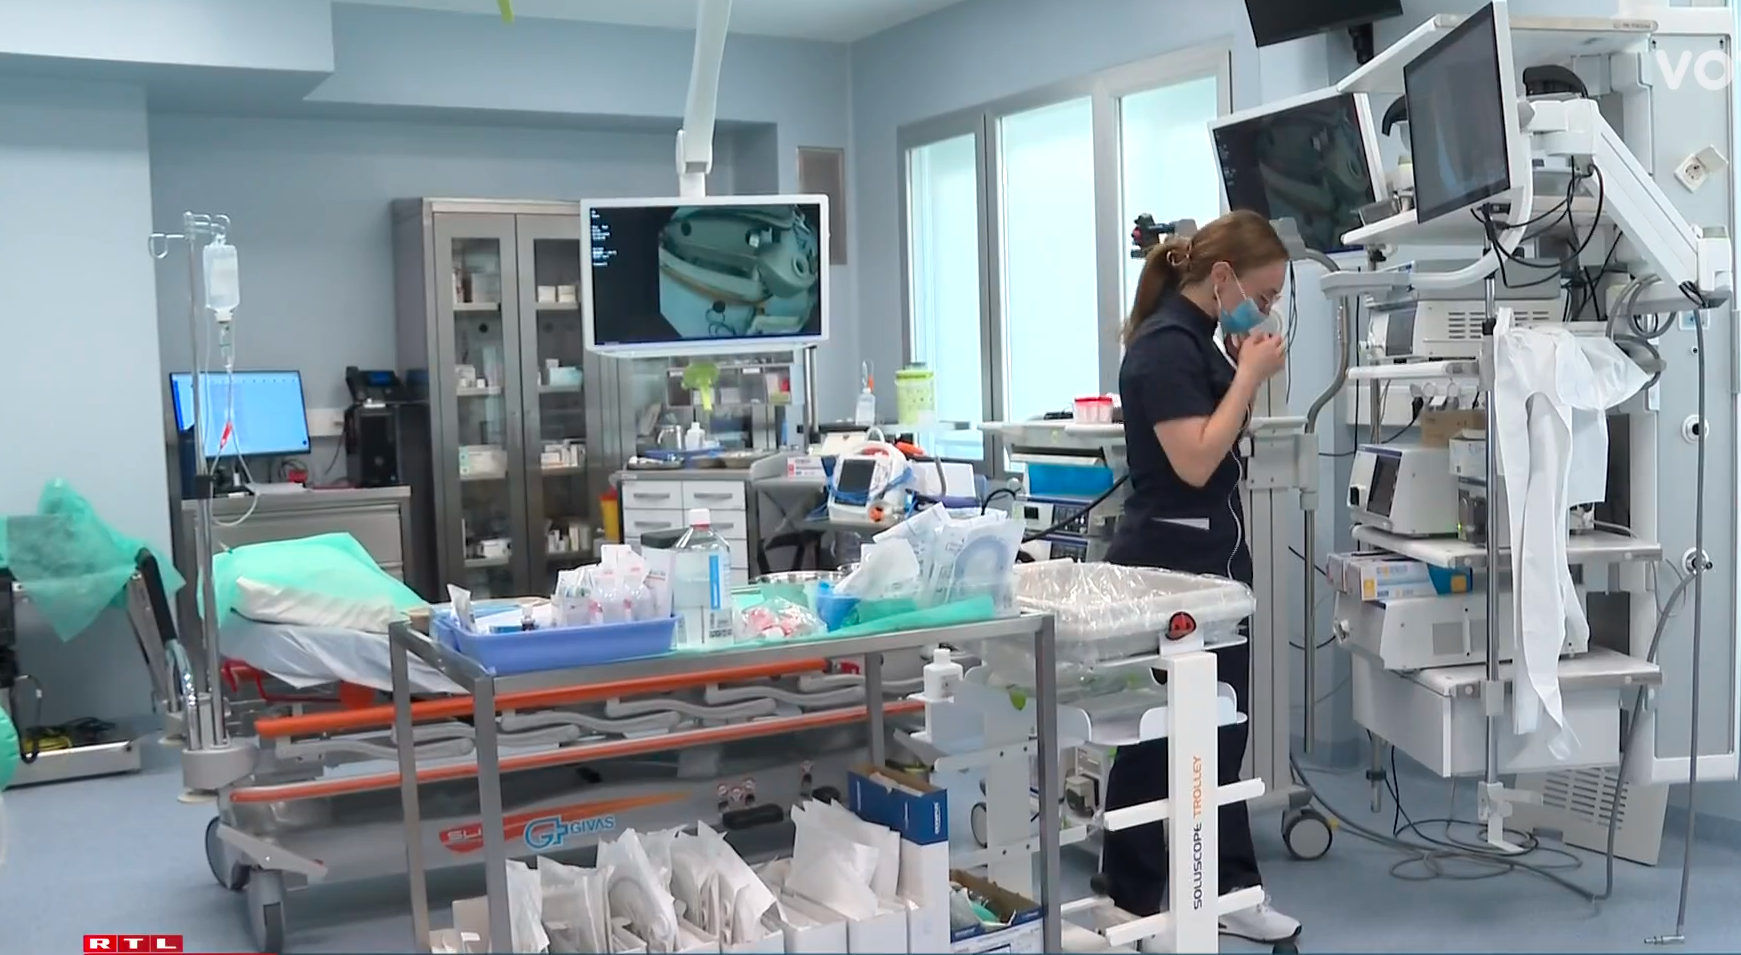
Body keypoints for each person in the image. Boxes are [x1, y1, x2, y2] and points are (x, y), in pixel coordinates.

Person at [1098, 209, 1299, 947]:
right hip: (1169, 568)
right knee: (1155, 738)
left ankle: (1229, 887)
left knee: (1222, 730)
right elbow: (1194, 459)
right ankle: (1130, 899)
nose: (1265, 310)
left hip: (1210, 565)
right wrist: (1247, 374)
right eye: (1262, 295)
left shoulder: (1199, 342)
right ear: (1221, 278)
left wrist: (1239, 362)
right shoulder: (1162, 349)